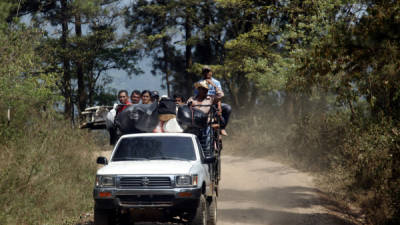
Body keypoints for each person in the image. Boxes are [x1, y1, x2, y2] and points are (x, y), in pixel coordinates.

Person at [195, 65, 231, 136]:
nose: (207, 73)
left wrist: (219, 106)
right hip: (204, 103)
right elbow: (196, 96)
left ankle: (222, 127)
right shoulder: (199, 83)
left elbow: (219, 96)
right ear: (202, 73)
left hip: (214, 102)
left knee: (227, 108)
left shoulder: (216, 82)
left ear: (211, 72)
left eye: (208, 71)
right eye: (205, 72)